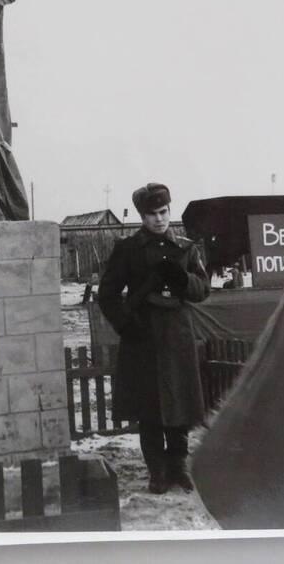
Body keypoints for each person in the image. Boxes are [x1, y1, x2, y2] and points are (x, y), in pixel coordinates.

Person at [98, 183, 211, 495]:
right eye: (151, 215)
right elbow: (107, 294)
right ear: (142, 216)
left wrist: (182, 279)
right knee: (150, 409)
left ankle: (179, 468)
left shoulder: (186, 248)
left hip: (177, 335)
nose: (159, 219)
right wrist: (125, 326)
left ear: (169, 211)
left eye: (163, 212)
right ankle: (157, 472)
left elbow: (203, 290)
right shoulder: (127, 250)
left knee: (179, 406)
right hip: (143, 337)